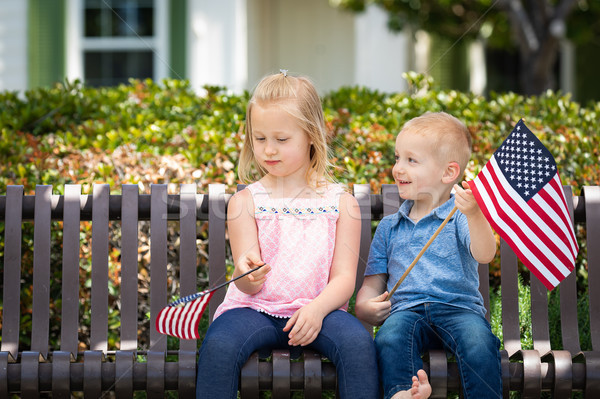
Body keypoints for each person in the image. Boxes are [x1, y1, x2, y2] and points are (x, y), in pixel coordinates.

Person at [196, 71, 380, 398]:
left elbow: (343, 280)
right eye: (259, 138)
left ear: (311, 135)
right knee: (220, 344)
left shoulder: (341, 203)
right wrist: (245, 274)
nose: (268, 150)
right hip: (254, 311)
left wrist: (317, 310)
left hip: (319, 312)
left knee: (357, 344)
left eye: (281, 140)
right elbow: (246, 280)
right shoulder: (246, 202)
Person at [355, 112, 502, 399]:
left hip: (459, 309)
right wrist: (364, 306)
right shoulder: (389, 227)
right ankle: (405, 394)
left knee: (479, 343)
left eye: (412, 160)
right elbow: (373, 283)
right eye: (398, 157)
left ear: (448, 173)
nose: (398, 168)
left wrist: (474, 213)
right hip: (406, 310)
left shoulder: (460, 216)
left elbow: (485, 254)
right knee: (390, 337)